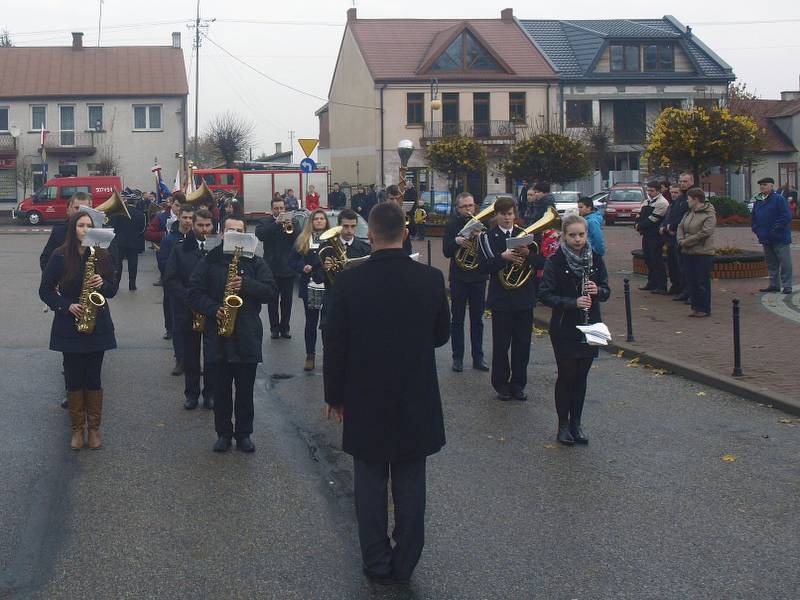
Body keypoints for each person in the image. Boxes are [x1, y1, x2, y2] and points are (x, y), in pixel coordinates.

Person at [323, 201, 450, 585]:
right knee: (411, 483)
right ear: (406, 233)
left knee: (370, 483)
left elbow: (335, 343)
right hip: (415, 395)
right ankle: (405, 561)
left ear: (371, 235)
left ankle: (376, 562)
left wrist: (334, 396)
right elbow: (441, 336)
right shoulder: (431, 279)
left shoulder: (348, 282)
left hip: (364, 395)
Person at [188, 215, 277, 453]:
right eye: (230, 231)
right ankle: (223, 434)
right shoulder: (209, 260)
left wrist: (246, 284)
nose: (235, 235)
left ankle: (244, 434)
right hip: (218, 335)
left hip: (247, 334)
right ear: (222, 234)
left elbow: (271, 291)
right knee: (221, 391)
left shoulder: (256, 262)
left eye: (240, 231)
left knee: (245, 392)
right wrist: (213, 309)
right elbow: (194, 293)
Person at [39, 212, 118, 450]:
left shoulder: (101, 254)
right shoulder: (60, 255)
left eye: (89, 225)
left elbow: (113, 289)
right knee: (73, 378)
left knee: (93, 377)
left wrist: (103, 284)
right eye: (81, 225)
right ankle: (77, 429)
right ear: (73, 228)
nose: (85, 229)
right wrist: (66, 306)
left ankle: (94, 429)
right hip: (69, 324)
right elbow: (45, 290)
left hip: (97, 324)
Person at [538, 213, 610, 446]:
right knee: (567, 375)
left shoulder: (595, 259)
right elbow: (545, 294)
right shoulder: (555, 261)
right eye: (572, 235)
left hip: (592, 324)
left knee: (582, 376)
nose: (577, 239)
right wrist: (572, 302)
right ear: (564, 236)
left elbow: (607, 290)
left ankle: (576, 424)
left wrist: (598, 290)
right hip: (565, 326)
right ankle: (563, 425)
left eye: (581, 235)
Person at [477, 196, 536, 401]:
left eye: (510, 214)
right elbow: (483, 267)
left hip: (524, 298)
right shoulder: (487, 237)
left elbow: (541, 263)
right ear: (496, 215)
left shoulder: (525, 235)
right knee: (501, 345)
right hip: (501, 299)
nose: (507, 218)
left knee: (522, 344)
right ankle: (501, 385)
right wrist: (502, 257)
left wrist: (528, 254)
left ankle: (518, 385)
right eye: (503, 214)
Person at [165, 208, 216, 410]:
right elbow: (171, 278)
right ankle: (191, 394)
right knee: (191, 356)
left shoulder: (218, 248)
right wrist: (190, 299)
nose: (204, 229)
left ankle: (210, 394)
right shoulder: (180, 249)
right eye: (200, 225)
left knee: (212, 355)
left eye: (207, 225)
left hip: (212, 310)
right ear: (193, 225)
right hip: (188, 310)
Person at [442, 192, 489, 373]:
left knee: (477, 320)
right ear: (458, 208)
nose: (468, 209)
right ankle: (458, 358)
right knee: (457, 320)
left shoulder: (482, 223)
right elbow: (446, 251)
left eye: (470, 205)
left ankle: (478, 357)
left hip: (478, 277)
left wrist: (481, 237)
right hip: (459, 278)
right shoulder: (452, 224)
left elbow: (489, 251)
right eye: (464, 207)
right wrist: (457, 241)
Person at [288, 209, 330, 371]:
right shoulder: (303, 239)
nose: (319, 221)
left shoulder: (332, 240)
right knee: (311, 323)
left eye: (322, 218)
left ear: (326, 222)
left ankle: (328, 355)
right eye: (316, 219)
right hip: (310, 286)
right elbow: (292, 260)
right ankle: (310, 355)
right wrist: (302, 267)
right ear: (311, 222)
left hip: (328, 286)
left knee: (327, 323)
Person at [315, 209, 371, 329]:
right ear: (338, 226)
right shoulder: (326, 248)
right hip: (333, 300)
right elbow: (317, 278)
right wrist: (325, 269)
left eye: (353, 226)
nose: (349, 230)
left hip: (356, 301)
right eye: (345, 226)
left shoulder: (365, 249)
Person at [158, 204, 195, 374]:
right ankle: (180, 359)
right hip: (176, 288)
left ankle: (194, 360)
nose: (188, 221)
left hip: (195, 289)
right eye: (185, 217)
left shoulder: (198, 238)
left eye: (190, 218)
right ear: (178, 218)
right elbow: (163, 263)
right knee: (178, 325)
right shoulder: (169, 239)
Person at [255, 196, 299, 339]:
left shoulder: (293, 221)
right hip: (270, 268)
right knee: (272, 301)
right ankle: (274, 328)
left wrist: (291, 226)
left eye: (281, 208)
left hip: (287, 268)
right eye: (276, 208)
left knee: (287, 301)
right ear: (272, 209)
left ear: (285, 208)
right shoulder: (264, 222)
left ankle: (285, 328)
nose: (279, 211)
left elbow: (299, 239)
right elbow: (261, 235)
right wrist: (276, 223)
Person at [677, 188, 716, 317]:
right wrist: (681, 240)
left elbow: (706, 232)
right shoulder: (689, 212)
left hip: (702, 253)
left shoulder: (709, 213)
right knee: (691, 280)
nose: (687, 201)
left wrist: (687, 241)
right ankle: (695, 307)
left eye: (689, 199)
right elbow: (680, 226)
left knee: (701, 281)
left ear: (696, 199)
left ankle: (704, 308)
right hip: (687, 252)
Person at [751, 177, 793, 294]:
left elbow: (786, 216)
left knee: (785, 262)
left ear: (771, 186)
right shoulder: (758, 200)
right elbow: (754, 216)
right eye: (761, 185)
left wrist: (776, 228)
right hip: (765, 237)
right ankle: (774, 284)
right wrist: (756, 229)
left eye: (765, 184)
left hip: (780, 237)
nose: (762, 187)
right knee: (771, 263)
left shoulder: (779, 199)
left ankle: (787, 285)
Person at [40, 192, 93, 272]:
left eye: (85, 209)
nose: (80, 212)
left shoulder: (98, 232)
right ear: (68, 210)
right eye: (77, 208)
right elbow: (45, 260)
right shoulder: (59, 231)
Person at [636, 180, 669, 294]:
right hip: (646, 234)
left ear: (658, 191)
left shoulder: (662, 203)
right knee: (648, 259)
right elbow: (639, 215)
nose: (649, 193)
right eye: (648, 190)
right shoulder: (647, 201)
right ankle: (652, 282)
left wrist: (639, 225)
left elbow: (653, 219)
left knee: (656, 260)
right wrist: (637, 223)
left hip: (656, 236)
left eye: (652, 190)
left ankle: (661, 285)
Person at [663, 173, 692, 300]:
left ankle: (687, 291)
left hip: (681, 236)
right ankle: (678, 287)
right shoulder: (675, 202)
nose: (682, 183)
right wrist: (666, 227)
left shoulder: (688, 198)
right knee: (673, 264)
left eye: (685, 181)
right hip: (671, 237)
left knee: (684, 267)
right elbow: (669, 216)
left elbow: (683, 217)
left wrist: (672, 227)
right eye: (681, 181)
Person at [111, 199, 146, 291]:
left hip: (120, 242)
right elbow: (142, 229)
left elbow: (114, 227)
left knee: (118, 263)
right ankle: (132, 284)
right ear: (136, 202)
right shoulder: (141, 214)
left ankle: (116, 285)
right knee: (133, 264)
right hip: (134, 242)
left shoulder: (118, 213)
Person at [385, 184, 413, 255]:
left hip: (404, 249)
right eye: (391, 199)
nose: (394, 201)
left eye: (396, 198)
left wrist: (405, 217)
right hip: (390, 251)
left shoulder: (402, 212)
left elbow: (411, 230)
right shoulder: (381, 213)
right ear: (386, 199)